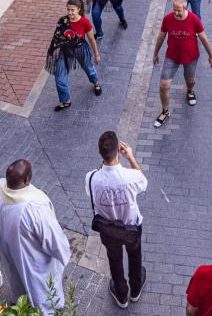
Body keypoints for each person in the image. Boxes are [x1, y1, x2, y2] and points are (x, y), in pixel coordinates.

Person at [0, 159, 71, 315]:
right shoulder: (34, 210)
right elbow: (55, 243)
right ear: (26, 180)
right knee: (40, 295)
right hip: (34, 264)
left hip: (10, 256)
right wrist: (63, 253)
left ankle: (20, 304)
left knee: (17, 281)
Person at [88, 131, 148, 309]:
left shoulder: (91, 178)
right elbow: (143, 182)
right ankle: (135, 289)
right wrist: (130, 157)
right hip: (131, 227)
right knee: (135, 255)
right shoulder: (130, 177)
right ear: (118, 152)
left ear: (100, 154)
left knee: (114, 259)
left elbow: (91, 192)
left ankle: (121, 295)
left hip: (108, 230)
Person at [152, 0, 212, 128]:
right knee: (164, 85)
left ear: (185, 8)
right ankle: (165, 111)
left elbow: (203, 38)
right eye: (174, 9)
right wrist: (155, 53)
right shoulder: (167, 19)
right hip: (172, 56)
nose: (176, 13)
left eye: (178, 10)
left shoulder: (194, 19)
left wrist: (211, 56)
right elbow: (161, 36)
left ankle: (190, 91)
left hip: (190, 56)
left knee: (190, 80)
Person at [44, 0, 102, 112]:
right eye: (68, 10)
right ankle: (65, 101)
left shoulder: (85, 22)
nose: (69, 12)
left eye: (72, 10)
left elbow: (91, 39)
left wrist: (96, 54)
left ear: (78, 9)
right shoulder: (63, 20)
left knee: (89, 69)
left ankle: (96, 83)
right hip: (64, 51)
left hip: (81, 49)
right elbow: (57, 36)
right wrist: (53, 50)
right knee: (60, 78)